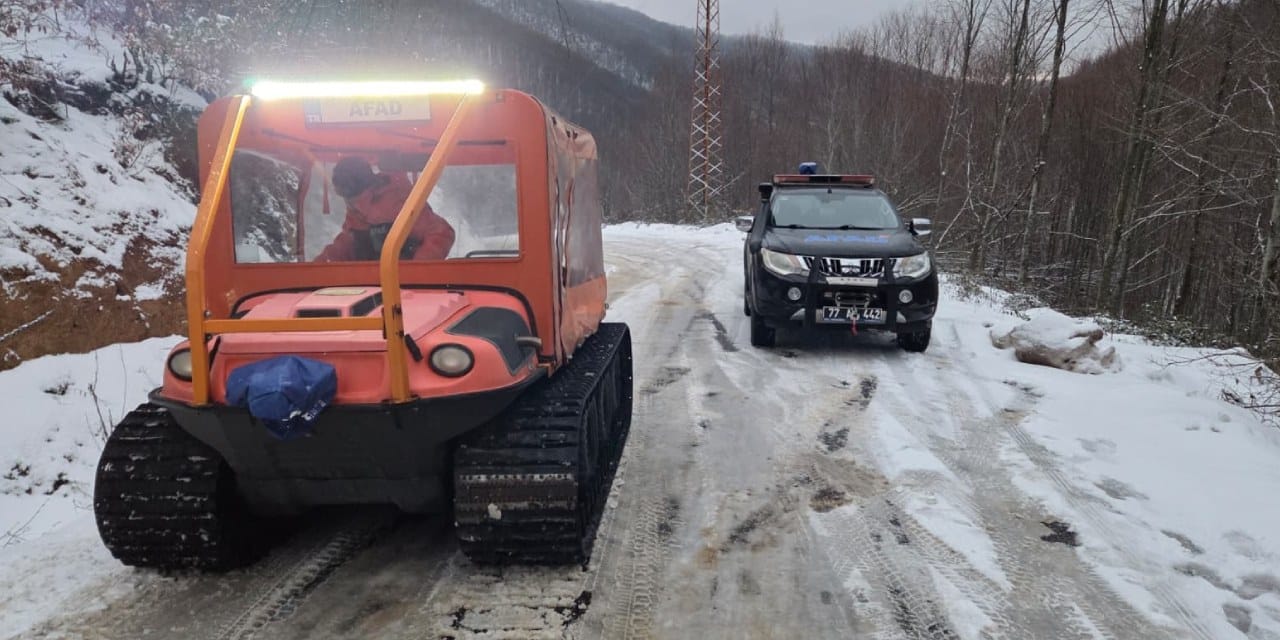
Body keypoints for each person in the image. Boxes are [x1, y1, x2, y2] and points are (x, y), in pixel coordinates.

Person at [315, 156, 456, 262]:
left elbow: (442, 233)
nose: (344, 196)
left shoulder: (398, 201)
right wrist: (320, 268)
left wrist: (415, 270)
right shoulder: (357, 211)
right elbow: (348, 243)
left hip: (409, 291)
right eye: (340, 191)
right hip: (371, 287)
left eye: (344, 189)